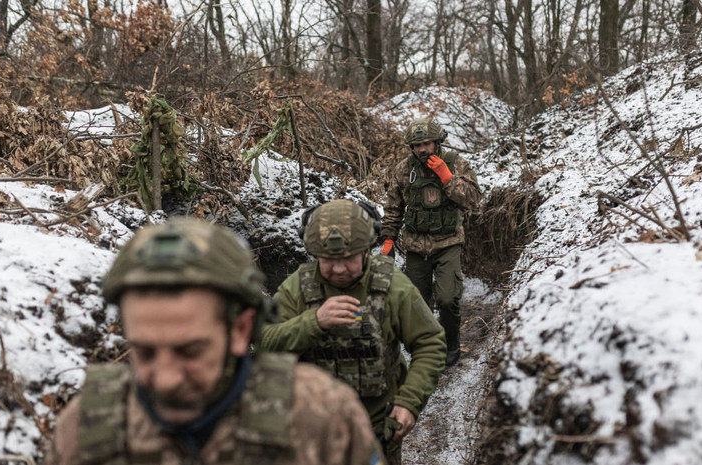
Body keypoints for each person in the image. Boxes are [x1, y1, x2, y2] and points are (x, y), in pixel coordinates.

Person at [45, 218, 385, 465]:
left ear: (239, 331)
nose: (165, 378)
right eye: (144, 352)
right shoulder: (87, 431)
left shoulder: (320, 416)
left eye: (190, 351)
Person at [259, 199, 446, 465]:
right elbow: (264, 343)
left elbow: (430, 341)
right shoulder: (297, 289)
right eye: (328, 260)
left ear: (366, 252)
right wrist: (314, 322)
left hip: (378, 426)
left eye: (348, 259)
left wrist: (408, 402)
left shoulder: (393, 287)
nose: (338, 269)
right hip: (312, 428)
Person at [380, 117, 481, 367]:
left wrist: (448, 178)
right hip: (415, 246)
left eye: (426, 143)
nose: (422, 149)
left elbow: (473, 200)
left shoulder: (456, 164)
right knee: (417, 302)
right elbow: (393, 206)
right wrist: (388, 241)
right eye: (417, 145)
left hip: (448, 242)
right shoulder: (405, 169)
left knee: (447, 298)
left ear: (437, 142)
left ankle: (452, 341)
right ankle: (425, 348)